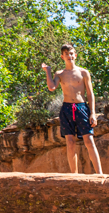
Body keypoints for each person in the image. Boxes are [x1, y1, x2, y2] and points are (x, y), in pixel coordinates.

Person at [39, 43, 105, 175]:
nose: (69, 56)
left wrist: (93, 113)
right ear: (62, 57)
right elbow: (52, 87)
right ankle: (74, 175)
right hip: (67, 109)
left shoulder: (83, 72)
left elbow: (90, 93)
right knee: (70, 142)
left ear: (75, 55)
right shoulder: (60, 74)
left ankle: (100, 174)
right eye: (66, 54)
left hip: (82, 108)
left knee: (89, 140)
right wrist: (48, 71)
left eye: (71, 53)